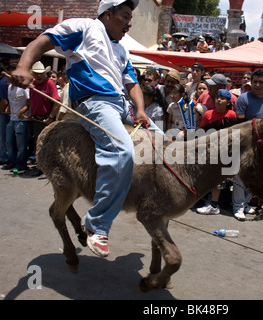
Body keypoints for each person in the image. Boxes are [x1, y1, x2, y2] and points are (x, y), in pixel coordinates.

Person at [10, 0, 162, 258]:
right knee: (121, 151)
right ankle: (98, 225)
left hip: (121, 105)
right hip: (95, 103)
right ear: (108, 14)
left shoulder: (122, 49)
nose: (129, 23)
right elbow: (42, 41)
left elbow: (132, 84)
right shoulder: (84, 27)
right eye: (125, 16)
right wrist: (24, 66)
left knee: (163, 141)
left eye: (130, 17)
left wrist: (140, 110)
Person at [233, 69, 263, 222]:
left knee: (256, 177)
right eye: (255, 82)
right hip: (245, 144)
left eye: (261, 82)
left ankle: (245, 204)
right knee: (240, 177)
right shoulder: (243, 99)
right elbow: (240, 124)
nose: (257, 85)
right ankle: (237, 207)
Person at [196, 89, 236, 215]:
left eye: (222, 98)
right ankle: (204, 201)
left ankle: (214, 204)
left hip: (223, 150)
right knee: (206, 176)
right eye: (217, 97)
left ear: (228, 102)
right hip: (209, 148)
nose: (219, 100)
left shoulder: (231, 114)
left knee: (219, 179)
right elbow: (201, 132)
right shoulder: (208, 114)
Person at [4, 81, 31, 172]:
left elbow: (29, 102)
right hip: (12, 118)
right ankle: (12, 161)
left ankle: (20, 164)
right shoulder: (10, 86)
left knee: (21, 144)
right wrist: (8, 107)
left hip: (22, 119)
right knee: (9, 142)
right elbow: (10, 100)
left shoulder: (24, 88)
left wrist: (23, 110)